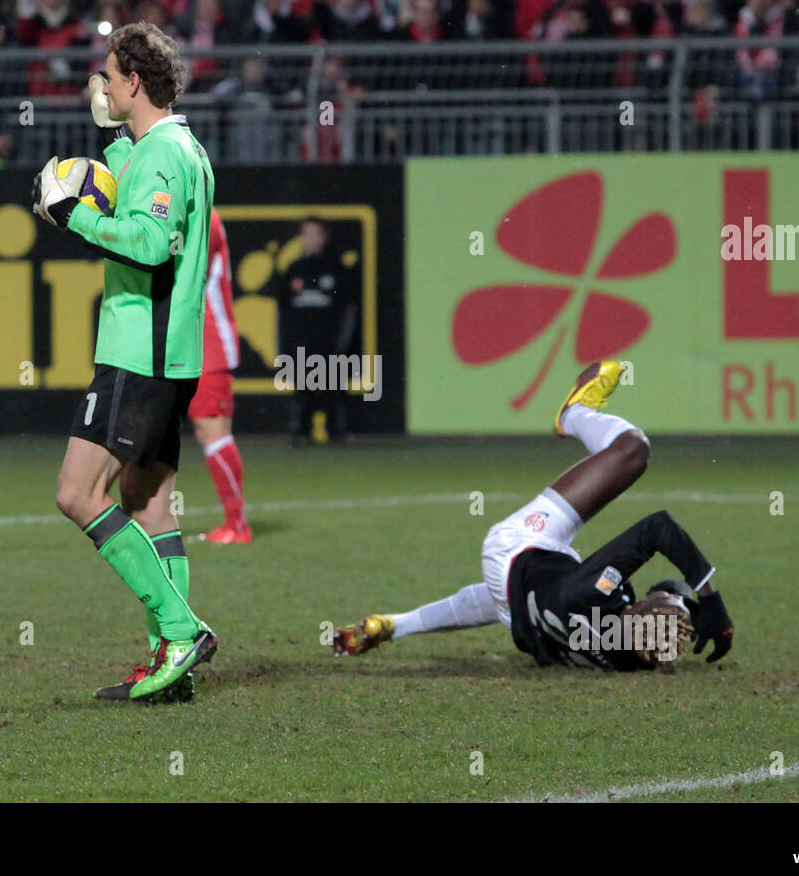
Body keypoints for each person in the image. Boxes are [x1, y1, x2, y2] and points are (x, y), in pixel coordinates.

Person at [32, 22, 218, 704]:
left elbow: (146, 242)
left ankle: (179, 629)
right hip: (168, 353)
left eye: (109, 76)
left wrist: (72, 213)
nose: (102, 87)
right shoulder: (173, 147)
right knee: (151, 505)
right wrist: (117, 160)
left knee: (77, 493)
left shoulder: (165, 153)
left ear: (134, 82)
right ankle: (174, 666)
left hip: (139, 351)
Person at [334, 361, 735, 671]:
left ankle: (576, 413)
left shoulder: (595, 597)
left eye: (670, 612)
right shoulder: (621, 656)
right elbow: (492, 605)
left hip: (519, 545)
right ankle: (391, 624)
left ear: (646, 609)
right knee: (513, 599)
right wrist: (394, 625)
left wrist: (708, 597)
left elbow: (658, 528)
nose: (670, 618)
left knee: (633, 451)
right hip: (523, 605)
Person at [191, 209, 253, 544]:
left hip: (209, 339)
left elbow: (183, 268)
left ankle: (237, 524)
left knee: (212, 430)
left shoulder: (205, 216)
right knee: (204, 432)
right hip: (185, 341)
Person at [279, 217, 358, 443]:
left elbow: (348, 307)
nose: (312, 239)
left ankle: (337, 432)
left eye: (316, 233)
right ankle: (300, 431)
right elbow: (283, 309)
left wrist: (342, 341)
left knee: (332, 387)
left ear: (324, 237)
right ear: (301, 238)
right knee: (302, 389)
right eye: (307, 233)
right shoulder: (293, 270)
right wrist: (286, 340)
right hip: (300, 340)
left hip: (328, 340)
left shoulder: (337, 268)